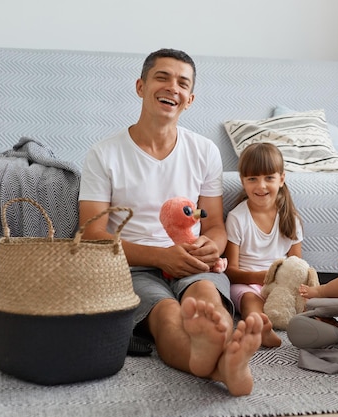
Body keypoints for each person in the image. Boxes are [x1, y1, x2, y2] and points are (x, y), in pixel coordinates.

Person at [77, 48, 262, 397]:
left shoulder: (205, 150)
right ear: (141, 86)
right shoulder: (104, 154)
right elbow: (91, 235)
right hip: (135, 267)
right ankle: (222, 366)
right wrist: (160, 257)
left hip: (193, 261)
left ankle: (221, 359)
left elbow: (216, 225)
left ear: (189, 99)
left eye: (182, 83)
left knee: (207, 298)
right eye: (162, 77)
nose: (172, 87)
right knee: (166, 317)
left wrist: (213, 245)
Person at [224, 142, 303, 348]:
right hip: (245, 283)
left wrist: (286, 283)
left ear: (281, 179)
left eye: (269, 178)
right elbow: (230, 272)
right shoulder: (237, 218)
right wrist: (260, 277)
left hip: (278, 284)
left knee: (308, 300)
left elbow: (297, 264)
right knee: (251, 300)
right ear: (243, 181)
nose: (261, 186)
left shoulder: (291, 218)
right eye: (252, 179)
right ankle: (261, 326)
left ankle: (319, 323)